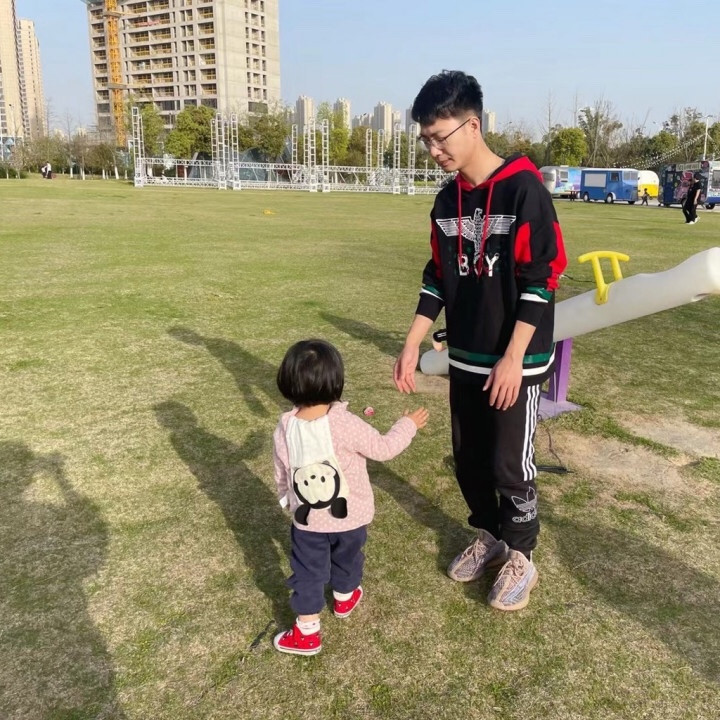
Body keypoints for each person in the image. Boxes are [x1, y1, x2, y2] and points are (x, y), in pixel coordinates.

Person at [394, 71, 567, 611]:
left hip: (517, 359)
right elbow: (438, 277)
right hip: (466, 356)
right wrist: (412, 343)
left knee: (509, 464)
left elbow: (542, 279)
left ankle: (522, 556)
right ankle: (490, 536)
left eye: (440, 137)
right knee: (469, 459)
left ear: (473, 125)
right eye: (425, 140)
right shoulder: (446, 201)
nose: (433, 150)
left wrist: (514, 358)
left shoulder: (524, 190)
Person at [272, 339, 428, 655]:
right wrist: (407, 425)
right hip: (351, 517)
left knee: (307, 572)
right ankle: (344, 596)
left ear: (287, 382)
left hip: (308, 521)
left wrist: (286, 498)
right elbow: (384, 448)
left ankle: (307, 631)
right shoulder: (344, 422)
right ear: (336, 382)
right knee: (348, 556)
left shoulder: (285, 427)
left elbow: (282, 471)